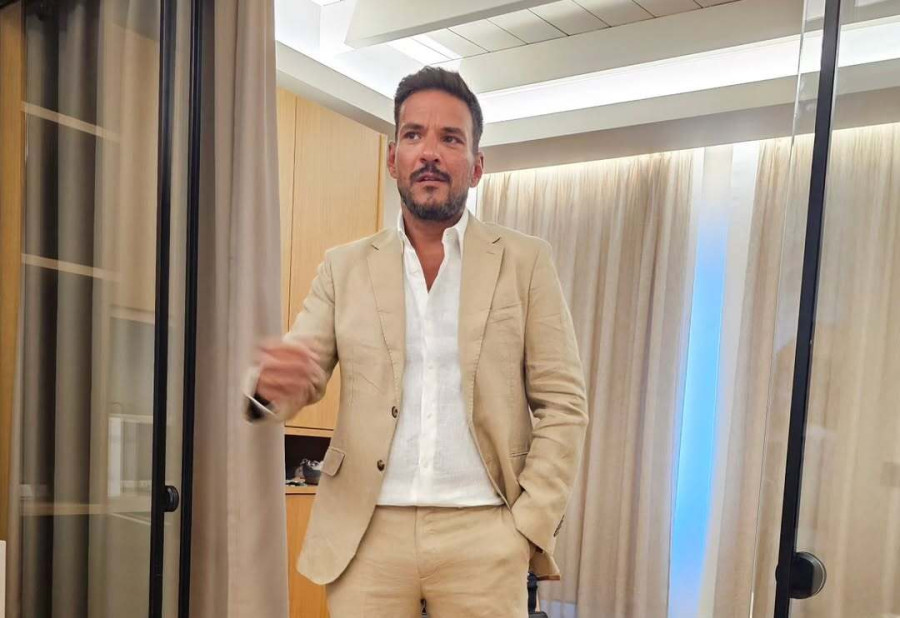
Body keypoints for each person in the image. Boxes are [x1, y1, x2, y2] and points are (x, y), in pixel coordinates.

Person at [244, 66, 588, 617]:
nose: (429, 152)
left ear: (476, 166)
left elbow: (564, 403)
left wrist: (528, 525)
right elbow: (300, 373)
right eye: (413, 135)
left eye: (450, 138)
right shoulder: (343, 267)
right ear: (392, 159)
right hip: (365, 536)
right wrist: (269, 385)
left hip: (486, 532)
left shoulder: (526, 262)